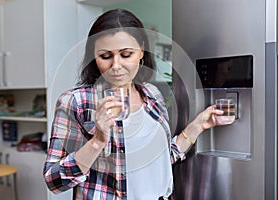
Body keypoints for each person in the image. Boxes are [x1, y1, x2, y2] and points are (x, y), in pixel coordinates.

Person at [43, 8, 223, 200]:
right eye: (105, 56)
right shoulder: (76, 102)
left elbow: (160, 159)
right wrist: (97, 142)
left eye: (126, 54)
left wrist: (200, 124)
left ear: (141, 52)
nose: (116, 65)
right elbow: (54, 181)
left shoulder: (152, 94)